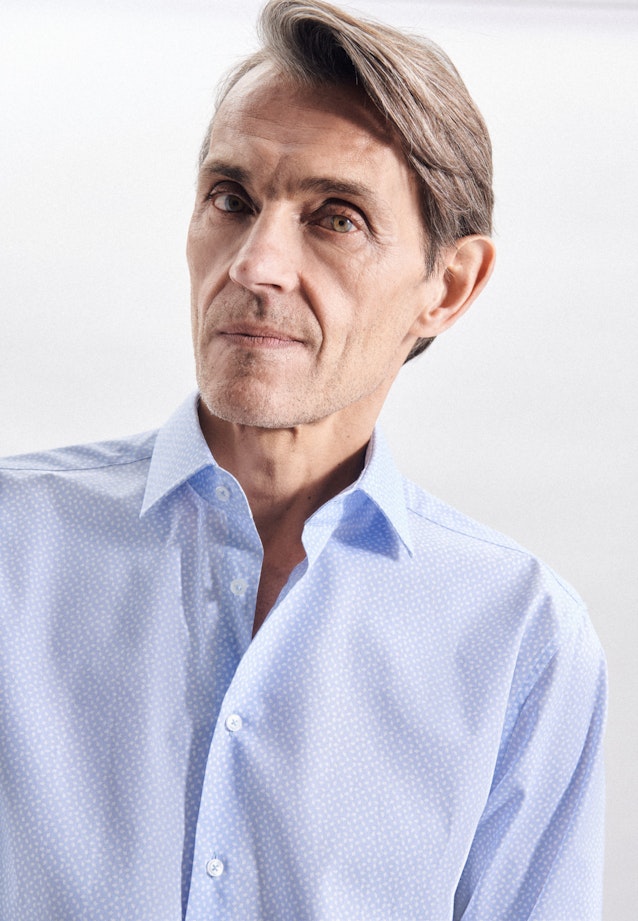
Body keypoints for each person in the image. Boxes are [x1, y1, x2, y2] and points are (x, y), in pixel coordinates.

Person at [0, 0, 606, 918]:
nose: (255, 265)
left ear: (448, 286)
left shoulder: (522, 641)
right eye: (232, 199)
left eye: (336, 218)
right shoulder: (15, 548)